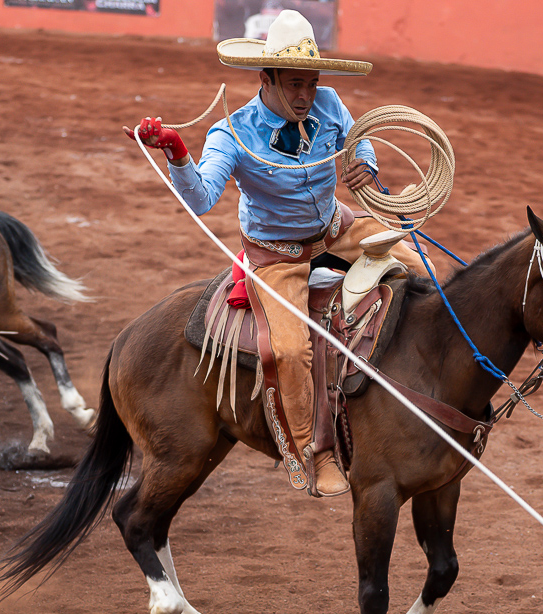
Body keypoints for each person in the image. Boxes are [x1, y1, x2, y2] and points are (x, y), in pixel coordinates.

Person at [129, 9, 434, 498]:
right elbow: (202, 199)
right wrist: (178, 154)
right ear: (264, 78)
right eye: (294, 84)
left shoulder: (330, 104)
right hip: (277, 257)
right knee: (291, 348)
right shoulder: (231, 132)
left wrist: (363, 167)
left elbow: (359, 143)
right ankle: (317, 452)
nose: (305, 95)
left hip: (336, 229)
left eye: (311, 83)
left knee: (425, 268)